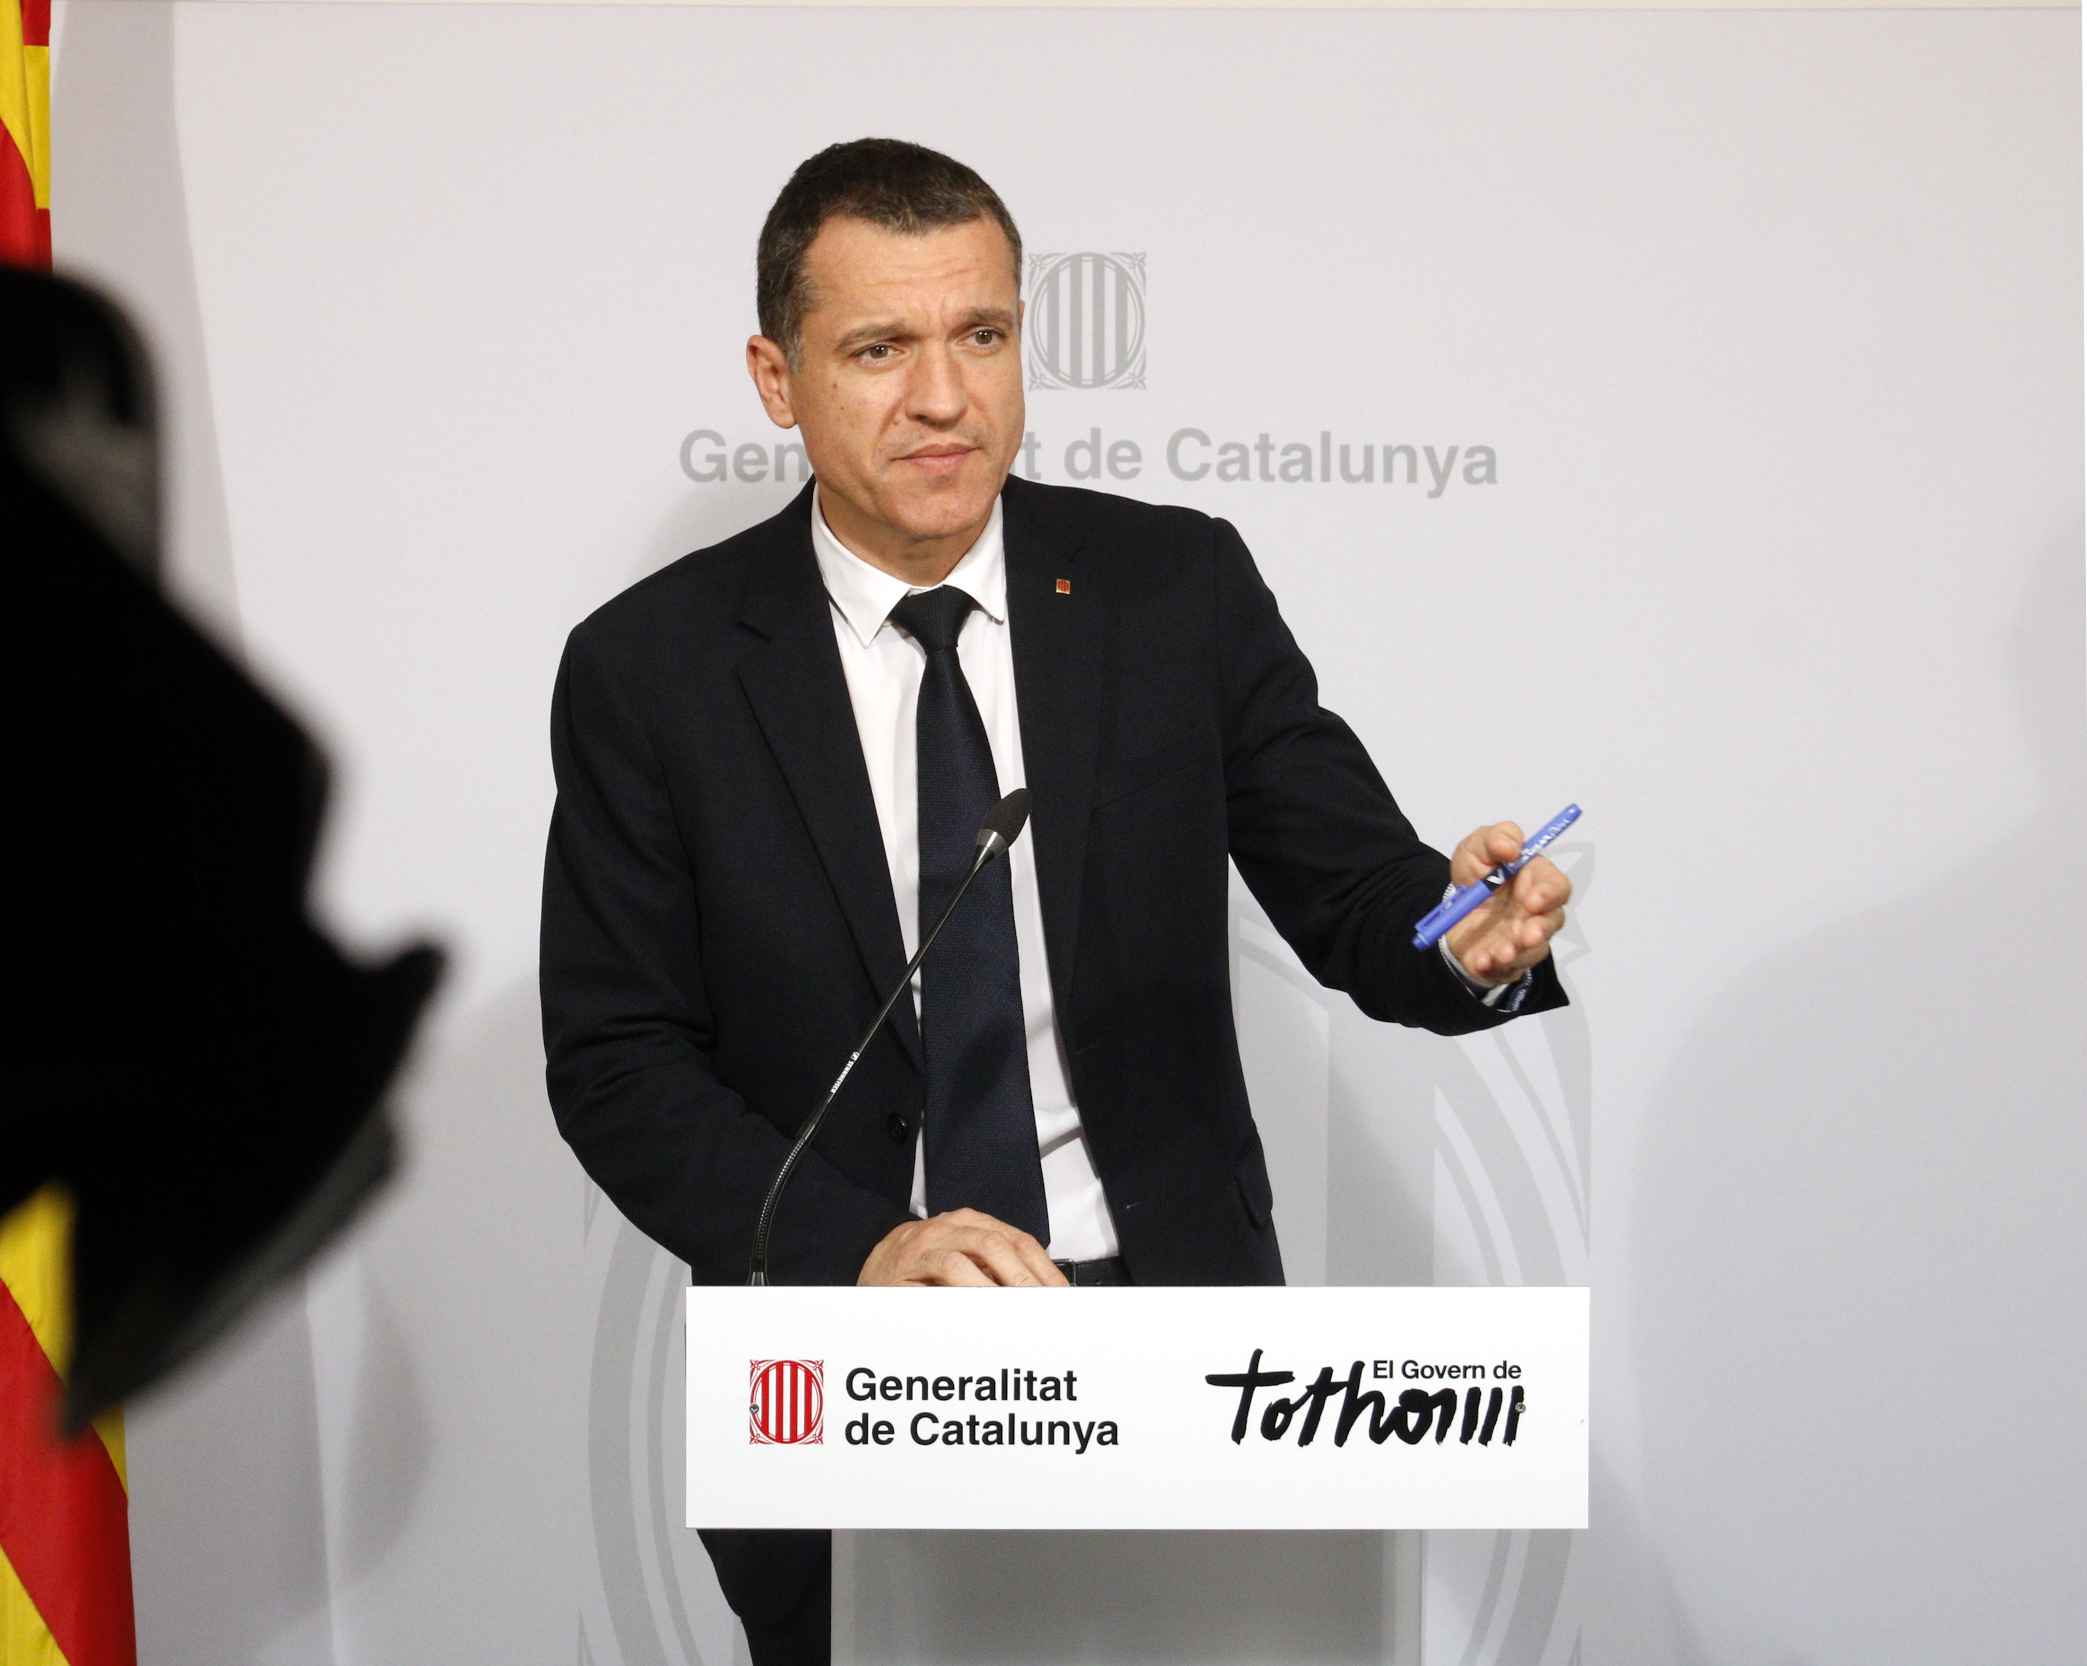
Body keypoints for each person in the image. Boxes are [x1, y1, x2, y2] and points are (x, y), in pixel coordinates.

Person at [540, 138, 1572, 1665]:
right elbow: (619, 1063)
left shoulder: (1172, 590)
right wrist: (867, 1248)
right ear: (776, 378)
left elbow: (1362, 892)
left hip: (1174, 1339)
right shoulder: (655, 669)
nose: (944, 397)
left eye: (983, 335)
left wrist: (1463, 935)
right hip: (855, 1354)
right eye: (879, 349)